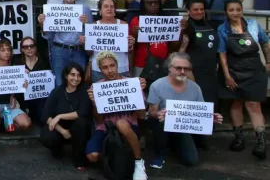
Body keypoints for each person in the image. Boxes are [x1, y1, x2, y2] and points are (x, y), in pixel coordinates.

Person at [146, 52, 223, 169]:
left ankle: (176, 144)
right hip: (163, 124)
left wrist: (210, 117)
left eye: (186, 68)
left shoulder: (195, 87)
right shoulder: (157, 85)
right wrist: (159, 114)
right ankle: (160, 154)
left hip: (183, 126)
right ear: (169, 68)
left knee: (191, 160)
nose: (182, 71)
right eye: (178, 68)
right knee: (159, 123)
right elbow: (152, 112)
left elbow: (200, 111)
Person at [217, 0, 270, 159]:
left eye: (238, 9)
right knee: (236, 103)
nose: (235, 13)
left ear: (241, 10)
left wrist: (268, 61)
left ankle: (261, 142)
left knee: (254, 105)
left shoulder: (253, 24)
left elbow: (265, 42)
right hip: (233, 71)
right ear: (226, 12)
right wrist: (227, 76)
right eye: (231, 10)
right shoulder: (222, 29)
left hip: (254, 70)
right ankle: (239, 138)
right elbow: (222, 53)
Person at [85, 52, 148, 180]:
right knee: (92, 156)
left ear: (117, 65)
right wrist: (95, 103)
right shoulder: (96, 87)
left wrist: (139, 94)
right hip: (105, 128)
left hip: (128, 126)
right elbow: (99, 120)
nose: (109, 70)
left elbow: (141, 116)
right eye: (105, 67)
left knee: (121, 123)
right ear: (100, 69)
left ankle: (138, 163)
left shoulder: (131, 83)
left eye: (112, 66)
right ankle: (113, 161)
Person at [37, 0, 93, 86]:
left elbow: (92, 33)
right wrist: (42, 24)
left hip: (78, 51)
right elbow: (48, 35)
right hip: (59, 51)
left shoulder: (85, 9)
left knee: (78, 83)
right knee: (60, 82)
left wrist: (86, 23)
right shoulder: (53, 9)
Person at [0, 39, 32, 154]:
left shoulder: (16, 69)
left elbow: (21, 90)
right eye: (3, 50)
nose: (7, 52)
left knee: (26, 123)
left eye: (8, 49)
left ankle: (3, 125)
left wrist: (25, 82)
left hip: (9, 105)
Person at [40, 62, 91, 171]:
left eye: (79, 75)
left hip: (76, 126)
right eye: (72, 75)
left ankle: (78, 158)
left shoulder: (85, 90)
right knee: (48, 136)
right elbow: (45, 115)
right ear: (66, 76)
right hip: (60, 128)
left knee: (82, 123)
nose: (76, 78)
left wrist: (59, 116)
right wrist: (63, 131)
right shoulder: (57, 91)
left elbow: (82, 112)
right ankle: (57, 149)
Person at [178, 0, 219, 105]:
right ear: (188, 11)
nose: (199, 12)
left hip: (211, 73)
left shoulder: (211, 25)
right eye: (195, 10)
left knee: (210, 105)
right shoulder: (186, 27)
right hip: (193, 73)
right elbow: (181, 52)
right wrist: (187, 71)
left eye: (201, 9)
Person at [87, 0, 134, 84]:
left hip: (121, 68)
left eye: (112, 6)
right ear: (100, 11)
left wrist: (130, 45)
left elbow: (128, 51)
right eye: (106, 6)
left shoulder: (123, 25)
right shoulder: (93, 26)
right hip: (98, 69)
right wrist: (86, 43)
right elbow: (90, 52)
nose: (109, 9)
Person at [129, 0, 174, 83]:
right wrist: (135, 35)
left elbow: (174, 44)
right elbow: (130, 46)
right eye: (149, 3)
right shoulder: (136, 20)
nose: (153, 5)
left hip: (164, 63)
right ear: (143, 5)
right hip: (141, 64)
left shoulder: (167, 20)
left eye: (156, 2)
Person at [18, 36, 50, 123]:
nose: (29, 49)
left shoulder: (44, 62)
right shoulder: (18, 64)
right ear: (22, 50)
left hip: (41, 99)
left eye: (31, 46)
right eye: (26, 47)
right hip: (23, 99)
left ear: (35, 47)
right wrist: (20, 74)